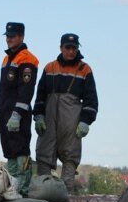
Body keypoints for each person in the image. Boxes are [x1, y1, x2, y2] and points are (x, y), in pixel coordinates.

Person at [33, 32, 99, 191]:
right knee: (44, 154)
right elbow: (40, 95)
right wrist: (38, 115)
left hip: (71, 120)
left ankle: (65, 196)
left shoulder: (84, 69)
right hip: (49, 118)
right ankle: (43, 193)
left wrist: (85, 121)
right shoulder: (50, 68)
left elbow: (91, 99)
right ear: (61, 48)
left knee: (70, 156)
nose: (70, 51)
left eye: (74, 48)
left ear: (77, 49)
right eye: (67, 47)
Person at [0, 21, 39, 194]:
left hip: (18, 114)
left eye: (12, 37)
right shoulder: (6, 59)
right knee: (9, 151)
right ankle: (11, 186)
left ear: (21, 36)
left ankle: (23, 188)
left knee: (20, 150)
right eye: (8, 37)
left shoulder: (27, 59)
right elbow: (1, 89)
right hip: (5, 111)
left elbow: (26, 91)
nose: (9, 40)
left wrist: (17, 115)